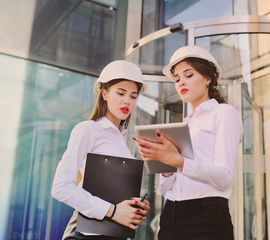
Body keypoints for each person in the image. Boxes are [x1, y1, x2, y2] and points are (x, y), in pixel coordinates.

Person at [133, 45, 243, 240]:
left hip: (207, 217)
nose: (181, 82)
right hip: (171, 215)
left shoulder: (224, 113)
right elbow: (166, 189)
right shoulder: (184, 125)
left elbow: (225, 177)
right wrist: (164, 164)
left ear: (208, 78)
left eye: (188, 75)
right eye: (177, 79)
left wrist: (179, 161)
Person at [51, 60, 150, 240]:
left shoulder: (122, 139)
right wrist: (112, 211)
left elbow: (113, 194)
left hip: (114, 234)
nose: (127, 100)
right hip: (86, 232)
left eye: (133, 96)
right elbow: (60, 187)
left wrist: (135, 207)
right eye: (120, 93)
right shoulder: (88, 129)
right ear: (104, 93)